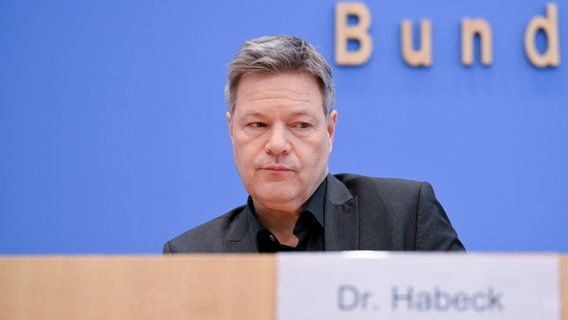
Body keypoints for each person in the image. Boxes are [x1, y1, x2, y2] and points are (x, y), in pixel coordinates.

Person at [164, 35, 465, 253]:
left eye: (300, 125)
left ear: (330, 131)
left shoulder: (405, 217)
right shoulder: (191, 256)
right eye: (258, 124)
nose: (278, 144)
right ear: (231, 129)